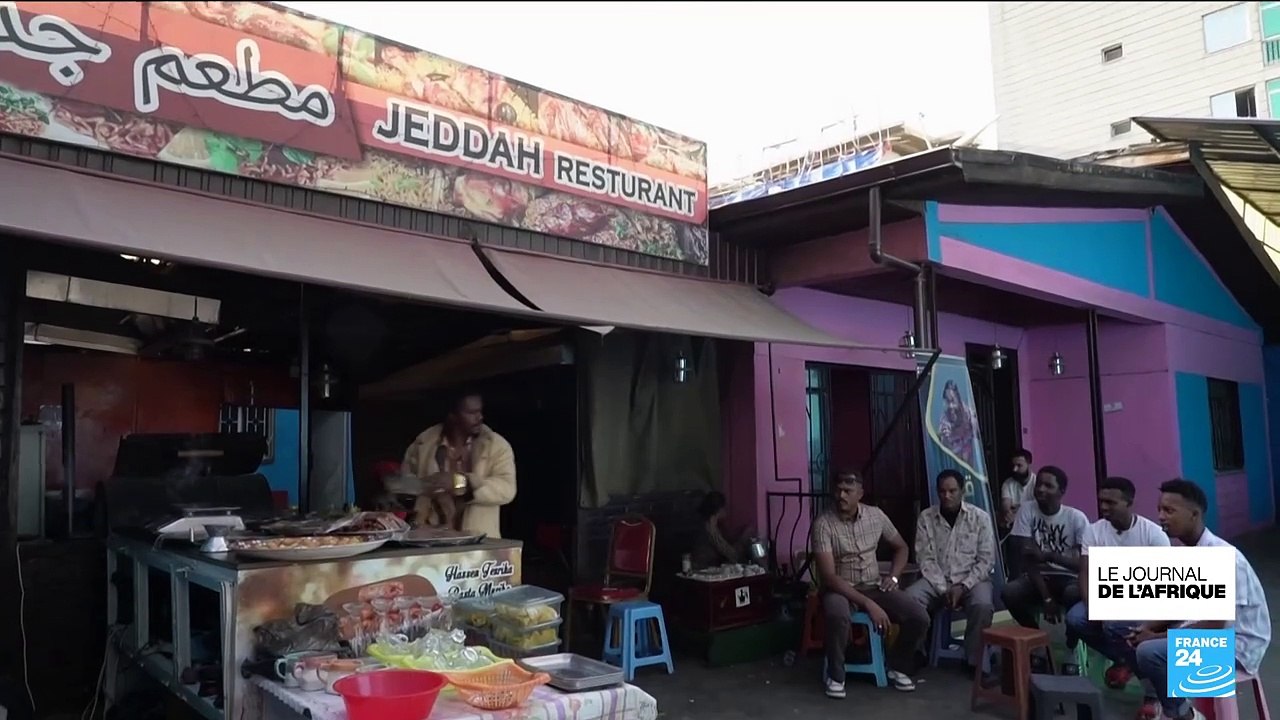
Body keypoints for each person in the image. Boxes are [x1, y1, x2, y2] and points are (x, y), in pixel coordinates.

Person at [1112, 479, 1271, 720]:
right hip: (1212, 632)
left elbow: (1215, 627)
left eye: (1169, 510)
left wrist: (1155, 636)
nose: (1161, 517)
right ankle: (1169, 704)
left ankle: (1184, 714)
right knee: (1124, 628)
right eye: (1159, 510)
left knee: (1148, 652)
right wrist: (1146, 626)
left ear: (1194, 515)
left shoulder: (1221, 556)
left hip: (1236, 647)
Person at [812, 470, 929, 696]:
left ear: (860, 494)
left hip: (875, 586)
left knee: (919, 616)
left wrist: (894, 577)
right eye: (838, 490)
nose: (841, 496)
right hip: (840, 588)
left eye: (848, 491)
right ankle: (836, 676)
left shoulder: (876, 516)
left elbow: (902, 547)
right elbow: (829, 577)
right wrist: (868, 604)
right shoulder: (823, 524)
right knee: (837, 613)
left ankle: (897, 666)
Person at [1062, 476, 1169, 680]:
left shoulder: (1154, 535)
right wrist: (1092, 606)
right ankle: (1124, 659)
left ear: (1129, 503)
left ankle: (1147, 681)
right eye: (1101, 501)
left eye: (1110, 502)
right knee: (1075, 619)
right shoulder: (1094, 531)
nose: (1103, 507)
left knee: (1113, 623)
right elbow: (1085, 572)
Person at [905, 469, 996, 672]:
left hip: (973, 580)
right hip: (936, 580)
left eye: (952, 491)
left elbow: (986, 560)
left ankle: (974, 660)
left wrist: (963, 586)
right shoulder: (926, 518)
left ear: (962, 491)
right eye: (942, 491)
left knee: (982, 604)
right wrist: (944, 588)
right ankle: (916, 651)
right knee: (909, 598)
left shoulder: (980, 518)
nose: (947, 496)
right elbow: (924, 558)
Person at [402, 389, 516, 538]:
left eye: (480, 411)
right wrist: (425, 485)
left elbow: (507, 490)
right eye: (471, 413)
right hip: (430, 541)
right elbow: (405, 486)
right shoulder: (423, 444)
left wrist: (459, 482)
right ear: (452, 415)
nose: (480, 417)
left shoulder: (496, 445)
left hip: (478, 544)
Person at [1001, 466, 1088, 639]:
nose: (1041, 489)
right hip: (1037, 577)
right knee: (1009, 592)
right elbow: (1028, 559)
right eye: (1039, 484)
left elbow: (1084, 565)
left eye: (1048, 486)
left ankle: (1072, 640)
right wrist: (1047, 598)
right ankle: (1036, 638)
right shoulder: (1027, 510)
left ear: (1061, 491)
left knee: (1073, 593)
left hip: (1069, 578)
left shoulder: (1076, 518)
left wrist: (1049, 556)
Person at [999, 448, 1036, 535]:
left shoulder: (1037, 483)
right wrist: (1008, 513)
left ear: (1028, 464)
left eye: (1019, 466)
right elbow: (1006, 506)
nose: (1014, 469)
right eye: (1013, 466)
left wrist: (1018, 512)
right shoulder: (1008, 483)